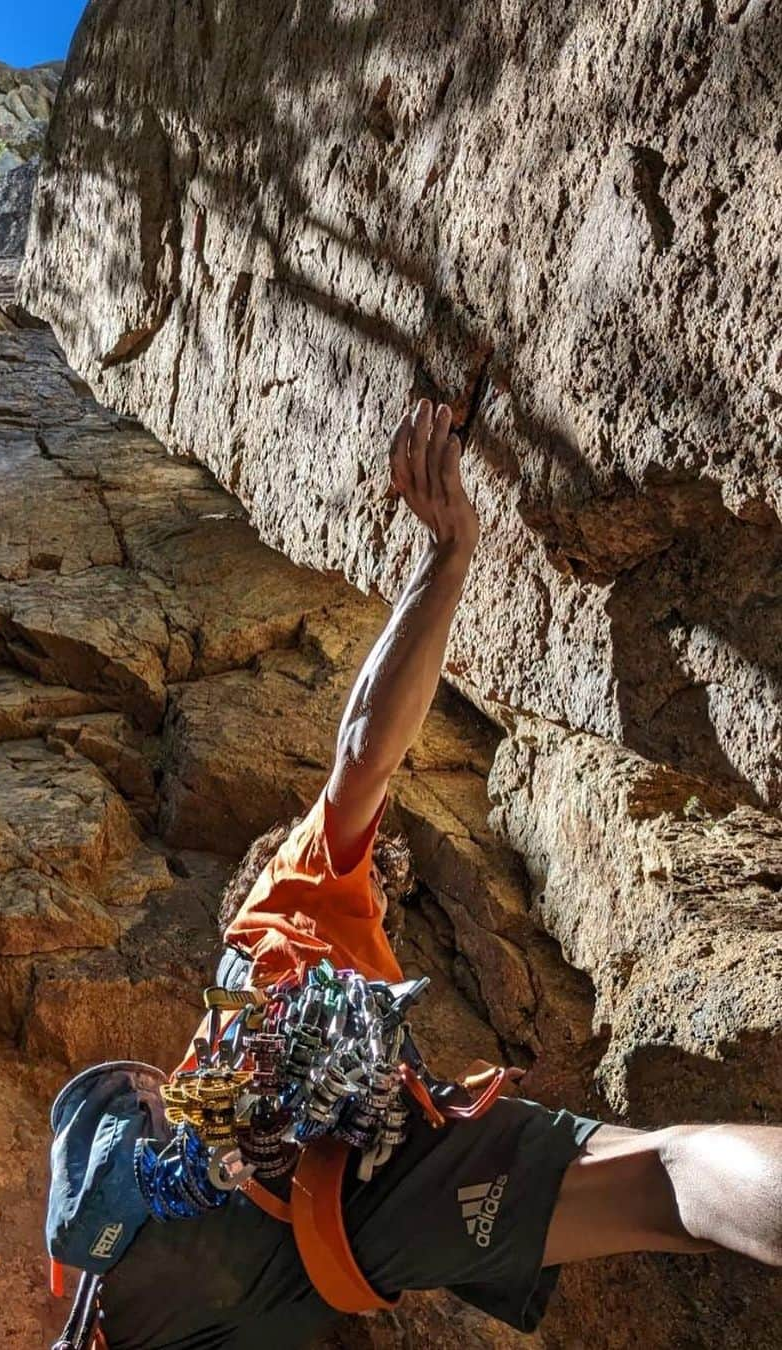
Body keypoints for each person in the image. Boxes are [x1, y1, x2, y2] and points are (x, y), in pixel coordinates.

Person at [47, 400, 782, 1350]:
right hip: (309, 1201)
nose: (381, 890)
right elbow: (362, 753)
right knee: (668, 1177)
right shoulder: (290, 894)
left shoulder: (281, 984)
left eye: (385, 888)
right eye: (379, 878)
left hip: (216, 1276)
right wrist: (447, 557)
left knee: (663, 1188)